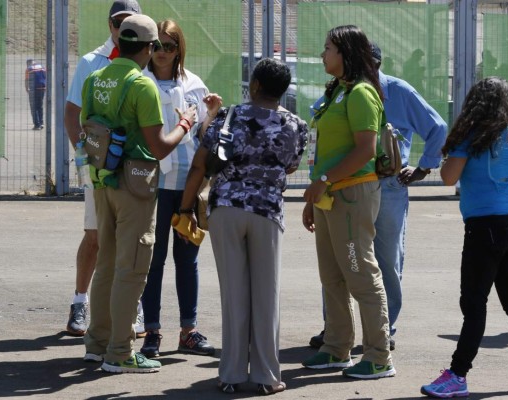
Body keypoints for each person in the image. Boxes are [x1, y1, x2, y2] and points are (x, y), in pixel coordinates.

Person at [421, 77, 508, 398]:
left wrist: (453, 149)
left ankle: (457, 375)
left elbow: (448, 178)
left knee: (474, 303)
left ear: (474, 104)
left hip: (483, 230)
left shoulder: (470, 137)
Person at [178, 57, 308, 394]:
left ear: (254, 86)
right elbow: (291, 167)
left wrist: (185, 208)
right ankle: (266, 376)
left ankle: (231, 375)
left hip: (226, 210)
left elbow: (199, 166)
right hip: (267, 212)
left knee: (234, 294)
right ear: (283, 91)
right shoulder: (296, 125)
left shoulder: (228, 116)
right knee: (267, 295)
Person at [308, 44, 447, 351]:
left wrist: (423, 169)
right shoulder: (340, 91)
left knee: (386, 261)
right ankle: (335, 330)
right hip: (349, 184)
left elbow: (437, 127)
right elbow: (318, 123)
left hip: (387, 185)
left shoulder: (397, 90)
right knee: (341, 260)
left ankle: (384, 330)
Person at [81, 13, 198, 373]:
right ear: (147, 49)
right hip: (135, 185)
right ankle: (119, 352)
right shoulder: (140, 85)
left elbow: (88, 129)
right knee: (132, 268)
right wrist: (185, 123)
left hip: (102, 181)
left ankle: (97, 344)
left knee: (106, 265)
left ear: (119, 43)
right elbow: (160, 147)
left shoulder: (96, 78)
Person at [301, 25, 395, 380]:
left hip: (352, 193)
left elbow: (365, 151)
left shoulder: (360, 94)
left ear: (346, 53)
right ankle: (336, 348)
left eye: (328, 48)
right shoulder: (336, 92)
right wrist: (316, 193)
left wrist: (324, 181)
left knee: (360, 274)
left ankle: (378, 356)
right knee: (332, 275)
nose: (322, 54)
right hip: (329, 196)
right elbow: (325, 150)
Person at [64, 0, 146, 338]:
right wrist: (85, 162)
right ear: (110, 25)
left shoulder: (147, 60)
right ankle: (79, 301)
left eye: (129, 22)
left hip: (134, 169)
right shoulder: (91, 62)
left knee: (133, 241)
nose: (122, 28)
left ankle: (133, 307)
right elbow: (73, 113)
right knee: (95, 236)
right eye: (117, 22)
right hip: (99, 169)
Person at [139, 18, 215, 358]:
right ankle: (152, 332)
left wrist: (211, 114)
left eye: (170, 46)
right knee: (153, 260)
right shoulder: (141, 82)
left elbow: (204, 137)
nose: (162, 53)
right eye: (157, 45)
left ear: (179, 49)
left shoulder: (194, 85)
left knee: (188, 258)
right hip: (153, 185)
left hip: (188, 185)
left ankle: (189, 329)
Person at [25, 59, 46, 130]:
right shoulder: (42, 67)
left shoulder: (28, 69)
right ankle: (41, 123)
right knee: (40, 106)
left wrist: (27, 88)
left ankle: (37, 125)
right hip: (42, 88)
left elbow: (27, 80)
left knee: (34, 108)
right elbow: (46, 77)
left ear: (28, 63)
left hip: (34, 89)